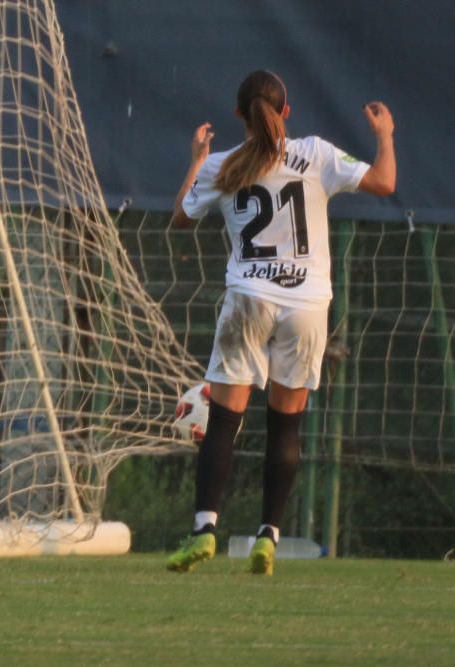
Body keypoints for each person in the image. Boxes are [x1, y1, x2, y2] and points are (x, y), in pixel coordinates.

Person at [165, 70, 395, 575]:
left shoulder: (223, 166)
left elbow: (180, 217)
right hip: (307, 305)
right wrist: (385, 136)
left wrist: (197, 162)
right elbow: (384, 182)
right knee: (285, 424)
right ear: (285, 112)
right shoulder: (314, 153)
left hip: (249, 298)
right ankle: (268, 537)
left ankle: (205, 528)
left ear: (238, 116)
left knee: (224, 419)